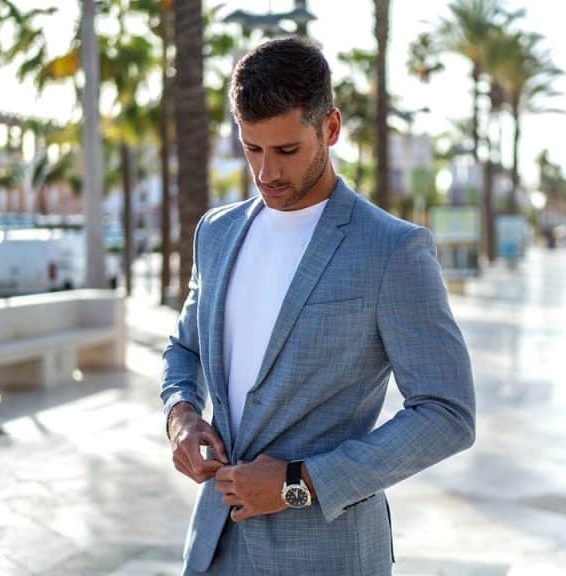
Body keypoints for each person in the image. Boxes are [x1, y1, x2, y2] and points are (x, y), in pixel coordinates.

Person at [161, 36, 475, 575]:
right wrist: (182, 417)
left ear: (329, 128)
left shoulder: (392, 250)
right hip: (213, 547)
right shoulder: (216, 234)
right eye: (251, 148)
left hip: (327, 555)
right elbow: (184, 348)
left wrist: (295, 485)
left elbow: (448, 414)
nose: (266, 173)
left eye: (286, 150)